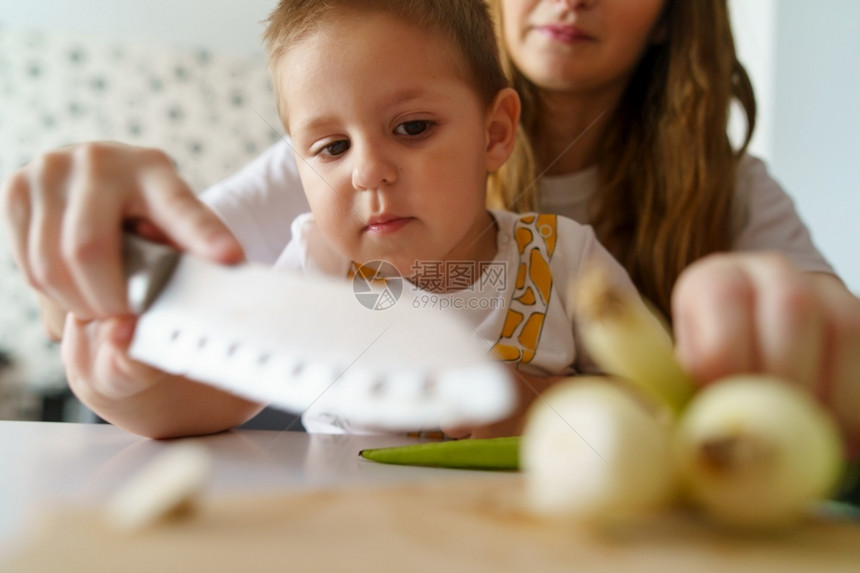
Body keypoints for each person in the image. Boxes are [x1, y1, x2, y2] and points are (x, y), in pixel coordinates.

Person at [2, 0, 858, 444]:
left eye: (413, 130)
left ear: (496, 131)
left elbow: (667, 390)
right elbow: (176, 351)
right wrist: (109, 314)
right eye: (330, 148)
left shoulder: (579, 251)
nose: (368, 169)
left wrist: (562, 406)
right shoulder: (321, 233)